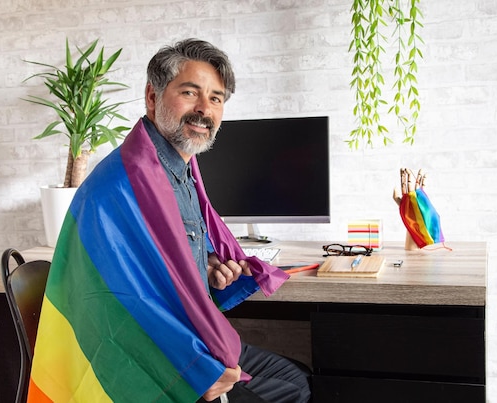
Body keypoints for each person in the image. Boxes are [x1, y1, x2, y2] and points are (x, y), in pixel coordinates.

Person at [27, 38, 311, 403]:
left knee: (297, 380)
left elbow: (160, 266)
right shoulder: (119, 187)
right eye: (190, 93)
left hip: (193, 335)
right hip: (159, 358)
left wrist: (204, 268)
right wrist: (189, 370)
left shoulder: (181, 168)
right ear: (152, 96)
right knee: (289, 395)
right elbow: (113, 305)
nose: (204, 110)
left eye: (216, 98)